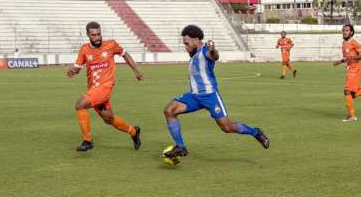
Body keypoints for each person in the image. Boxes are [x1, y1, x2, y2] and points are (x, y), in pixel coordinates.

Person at [163, 25, 270, 158]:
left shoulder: (204, 51)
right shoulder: (194, 56)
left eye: (187, 43)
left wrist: (213, 50)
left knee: (227, 127)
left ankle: (255, 132)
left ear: (196, 40)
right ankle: (181, 147)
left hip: (210, 96)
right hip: (194, 96)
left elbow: (214, 56)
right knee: (169, 110)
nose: (186, 46)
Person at [67, 22, 144, 151]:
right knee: (109, 119)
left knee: (79, 105)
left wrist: (135, 70)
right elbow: (78, 67)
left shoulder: (111, 45)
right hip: (93, 89)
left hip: (105, 87)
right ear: (88, 35)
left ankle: (87, 141)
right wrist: (73, 70)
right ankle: (134, 132)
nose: (97, 37)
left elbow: (125, 54)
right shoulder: (84, 49)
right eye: (94, 35)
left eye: (99, 34)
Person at [333, 24, 360, 122]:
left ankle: (352, 116)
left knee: (347, 91)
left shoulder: (354, 43)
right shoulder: (344, 43)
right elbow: (346, 57)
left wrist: (352, 58)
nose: (344, 32)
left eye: (347, 30)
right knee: (352, 94)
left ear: (351, 32)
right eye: (343, 30)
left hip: (355, 69)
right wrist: (339, 62)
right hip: (349, 69)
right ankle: (351, 115)